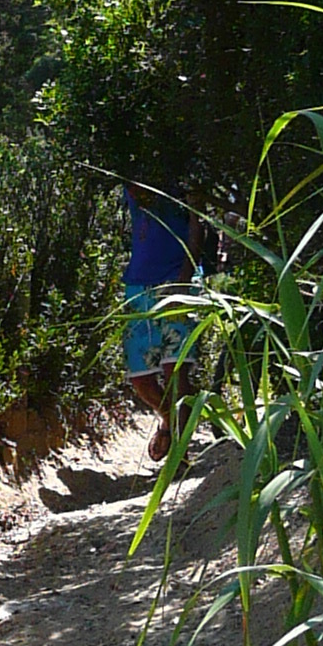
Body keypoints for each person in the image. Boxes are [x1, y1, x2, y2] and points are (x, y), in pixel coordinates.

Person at [122, 179, 198, 464]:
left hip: (175, 281)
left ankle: (180, 454)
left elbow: (196, 227)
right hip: (138, 287)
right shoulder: (136, 178)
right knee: (140, 378)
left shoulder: (185, 180)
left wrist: (184, 280)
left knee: (175, 373)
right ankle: (169, 422)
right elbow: (136, 191)